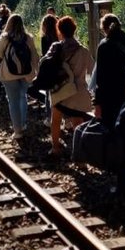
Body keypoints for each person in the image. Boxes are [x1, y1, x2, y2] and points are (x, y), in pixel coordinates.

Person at [91, 14, 125, 196]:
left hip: (110, 100)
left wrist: (97, 102)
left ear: (104, 28)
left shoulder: (105, 45)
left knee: (112, 138)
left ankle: (115, 179)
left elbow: (101, 78)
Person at [0, 14, 40, 139]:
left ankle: (17, 130)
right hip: (26, 73)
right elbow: (34, 56)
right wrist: (37, 71)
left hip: (9, 74)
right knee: (23, 97)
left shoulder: (5, 37)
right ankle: (23, 123)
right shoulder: (28, 38)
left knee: (13, 101)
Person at [49, 16, 93, 156]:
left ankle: (55, 148)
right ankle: (79, 157)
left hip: (60, 90)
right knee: (78, 124)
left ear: (59, 31)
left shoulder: (56, 48)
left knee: (55, 119)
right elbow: (92, 70)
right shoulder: (83, 51)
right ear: (74, 30)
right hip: (78, 91)